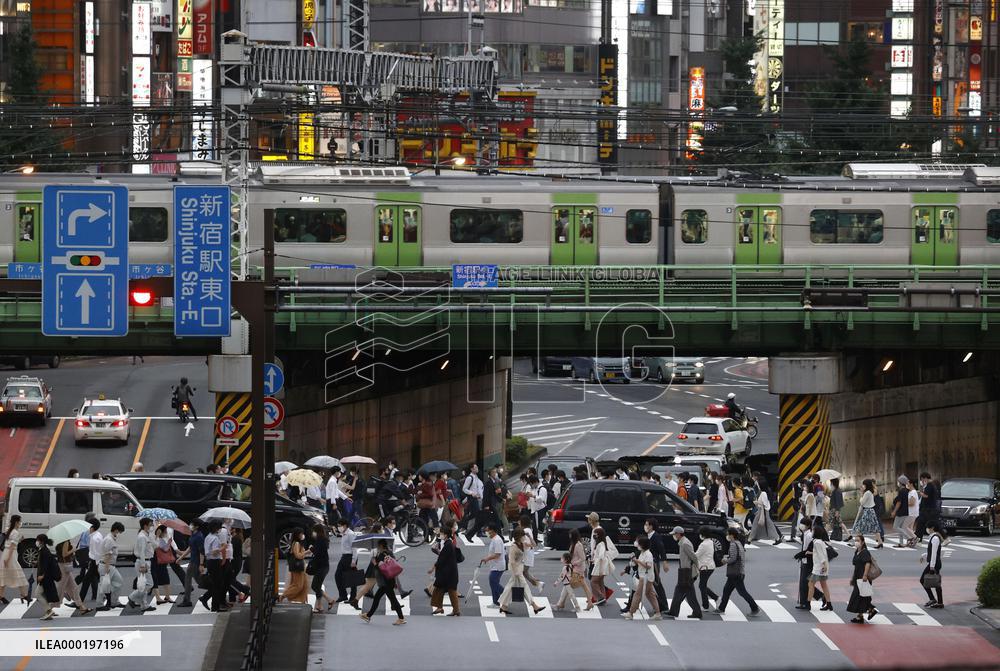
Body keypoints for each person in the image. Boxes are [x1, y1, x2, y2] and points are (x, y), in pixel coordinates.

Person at [498, 529, 546, 615]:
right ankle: (534, 606)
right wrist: (516, 572)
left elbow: (534, 545)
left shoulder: (522, 544)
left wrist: (529, 536)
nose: (524, 537)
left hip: (520, 567)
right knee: (524, 585)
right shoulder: (513, 546)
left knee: (510, 587)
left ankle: (503, 607)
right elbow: (512, 561)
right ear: (518, 537)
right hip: (515, 569)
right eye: (522, 536)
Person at [715, 527, 760, 617]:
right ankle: (721, 608)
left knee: (742, 592)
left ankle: (755, 608)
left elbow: (733, 558)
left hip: (735, 572)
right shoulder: (738, 543)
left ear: (731, 535)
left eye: (728, 534)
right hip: (737, 572)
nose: (727, 536)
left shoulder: (733, 544)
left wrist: (725, 560)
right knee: (726, 590)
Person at [361, 539, 406, 625]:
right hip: (389, 580)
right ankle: (368, 615)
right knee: (377, 598)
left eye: (378, 546)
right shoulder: (390, 553)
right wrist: (395, 581)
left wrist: (374, 563)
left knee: (393, 600)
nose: (377, 548)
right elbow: (392, 568)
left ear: (381, 546)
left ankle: (401, 618)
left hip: (385, 582)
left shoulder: (382, 555)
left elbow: (383, 569)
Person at [664, 526, 701, 619]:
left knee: (684, 592)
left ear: (679, 534)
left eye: (674, 534)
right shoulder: (683, 542)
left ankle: (675, 611)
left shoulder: (685, 544)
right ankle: (675, 611)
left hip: (687, 571)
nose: (674, 536)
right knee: (684, 592)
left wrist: (697, 568)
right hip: (684, 571)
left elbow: (694, 557)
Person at [624, 535, 660, 620]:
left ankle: (631, 612)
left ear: (643, 545)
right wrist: (634, 561)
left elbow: (648, 566)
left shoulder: (648, 554)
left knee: (637, 594)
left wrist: (637, 561)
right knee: (650, 595)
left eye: (639, 544)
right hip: (645, 577)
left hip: (646, 578)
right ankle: (657, 613)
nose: (638, 545)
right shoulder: (643, 553)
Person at [430, 523, 461, 616]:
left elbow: (442, 559)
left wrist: (433, 568)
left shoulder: (448, 545)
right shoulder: (448, 543)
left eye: (441, 533)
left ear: (446, 535)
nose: (440, 535)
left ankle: (455, 610)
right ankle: (441, 608)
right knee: (440, 590)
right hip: (448, 572)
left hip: (448, 573)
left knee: (450, 591)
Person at [846, 534, 877, 623]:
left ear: (862, 542)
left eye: (858, 540)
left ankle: (869, 610)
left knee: (859, 596)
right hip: (857, 577)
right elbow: (856, 566)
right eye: (855, 540)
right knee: (861, 597)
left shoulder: (865, 552)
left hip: (863, 577)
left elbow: (867, 563)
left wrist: (865, 575)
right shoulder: (857, 552)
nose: (856, 542)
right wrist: (852, 578)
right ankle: (862, 615)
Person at [96, 522, 125, 611]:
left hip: (110, 565)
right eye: (119, 531)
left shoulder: (112, 538)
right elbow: (107, 554)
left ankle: (114, 601)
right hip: (106, 565)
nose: (119, 533)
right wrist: (107, 567)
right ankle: (99, 605)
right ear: (116, 530)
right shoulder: (109, 539)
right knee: (103, 585)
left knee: (119, 582)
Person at [0, 515, 29, 604]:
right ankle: (24, 595)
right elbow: (12, 547)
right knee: (19, 575)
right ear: (16, 522)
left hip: (5, 553)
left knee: (3, 576)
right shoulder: (16, 533)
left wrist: (19, 540)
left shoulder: (9, 530)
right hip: (10, 556)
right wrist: (8, 559)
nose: (20, 523)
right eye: (20, 522)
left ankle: (1, 596)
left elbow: (9, 543)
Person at [55, 540, 90, 613]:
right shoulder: (65, 542)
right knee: (61, 588)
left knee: (74, 587)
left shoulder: (60, 542)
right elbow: (64, 554)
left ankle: (81, 606)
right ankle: (49, 608)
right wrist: (73, 550)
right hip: (65, 567)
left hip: (63, 566)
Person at [202, 521, 229, 612]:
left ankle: (210, 602)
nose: (220, 529)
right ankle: (214, 605)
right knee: (218, 584)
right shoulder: (215, 539)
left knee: (216, 584)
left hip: (210, 562)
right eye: (219, 527)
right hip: (214, 562)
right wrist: (223, 547)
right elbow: (214, 552)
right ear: (216, 528)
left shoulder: (208, 537)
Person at [129, 517, 155, 611]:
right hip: (143, 562)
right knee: (149, 584)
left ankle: (144, 605)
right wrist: (143, 565)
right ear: (145, 526)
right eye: (151, 525)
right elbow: (142, 552)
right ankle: (132, 597)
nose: (152, 526)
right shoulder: (142, 537)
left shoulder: (146, 535)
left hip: (145, 561)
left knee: (143, 584)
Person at [806, 526, 834, 612]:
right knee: (824, 585)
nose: (812, 532)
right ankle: (829, 604)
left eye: (813, 531)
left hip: (819, 567)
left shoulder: (817, 542)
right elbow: (819, 553)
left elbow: (821, 555)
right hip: (822, 566)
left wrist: (824, 565)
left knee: (811, 584)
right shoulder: (820, 541)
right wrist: (810, 552)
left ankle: (808, 604)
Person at [645, 519, 669, 615]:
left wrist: (665, 561)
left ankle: (664, 605)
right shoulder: (648, 535)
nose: (645, 526)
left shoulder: (656, 536)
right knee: (642, 583)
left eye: (646, 524)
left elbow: (661, 549)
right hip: (647, 563)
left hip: (654, 563)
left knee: (657, 584)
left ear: (651, 526)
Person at [178, 519, 204, 608]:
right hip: (192, 561)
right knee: (199, 581)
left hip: (195, 562)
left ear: (197, 526)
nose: (190, 525)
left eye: (192, 524)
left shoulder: (199, 536)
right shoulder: (193, 535)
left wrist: (201, 564)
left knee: (188, 580)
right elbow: (190, 548)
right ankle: (214, 590)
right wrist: (181, 558)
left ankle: (187, 600)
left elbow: (201, 552)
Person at [308, 525, 333, 613]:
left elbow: (317, 553)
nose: (313, 533)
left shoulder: (320, 541)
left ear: (317, 531)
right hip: (323, 566)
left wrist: (311, 548)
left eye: (313, 531)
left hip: (322, 567)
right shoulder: (323, 540)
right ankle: (320, 606)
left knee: (315, 586)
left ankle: (329, 600)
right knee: (317, 586)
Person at [333, 519, 360, 604]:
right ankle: (343, 595)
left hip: (350, 557)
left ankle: (353, 597)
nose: (339, 527)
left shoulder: (350, 534)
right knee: (338, 575)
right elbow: (337, 535)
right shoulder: (344, 533)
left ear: (344, 525)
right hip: (344, 557)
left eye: (339, 525)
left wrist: (353, 561)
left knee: (351, 578)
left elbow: (355, 548)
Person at [480, 524, 506, 609]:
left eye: (488, 531)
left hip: (498, 566)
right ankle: (496, 602)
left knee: (494, 582)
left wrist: (487, 558)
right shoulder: (494, 539)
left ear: (493, 531)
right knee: (493, 583)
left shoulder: (497, 540)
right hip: (495, 565)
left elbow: (497, 554)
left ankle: (507, 594)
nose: (487, 532)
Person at [280, 528, 309, 604]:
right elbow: (298, 555)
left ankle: (303, 600)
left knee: (304, 584)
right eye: (301, 534)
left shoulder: (298, 543)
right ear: (298, 535)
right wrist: (306, 552)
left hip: (300, 566)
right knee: (298, 585)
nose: (302, 535)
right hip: (297, 567)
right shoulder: (296, 543)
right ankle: (283, 595)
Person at [566, 529, 593, 609]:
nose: (569, 536)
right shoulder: (574, 544)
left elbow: (583, 558)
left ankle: (562, 603)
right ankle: (590, 602)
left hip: (578, 569)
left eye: (570, 535)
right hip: (576, 568)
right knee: (583, 585)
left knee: (568, 584)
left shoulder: (578, 545)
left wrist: (573, 563)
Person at [852, 479, 884, 547]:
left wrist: (861, 494)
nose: (862, 486)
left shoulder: (867, 493)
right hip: (871, 511)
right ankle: (880, 542)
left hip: (867, 511)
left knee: (859, 527)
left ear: (866, 485)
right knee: (875, 528)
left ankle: (861, 543)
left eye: (863, 484)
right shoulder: (870, 492)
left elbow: (862, 502)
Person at [35, 535, 60, 620]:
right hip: (47, 577)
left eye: (37, 540)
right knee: (44, 594)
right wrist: (36, 562)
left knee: (37, 594)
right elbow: (44, 562)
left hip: (45, 577)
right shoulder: (43, 550)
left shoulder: (44, 551)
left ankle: (49, 611)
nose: (36, 542)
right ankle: (48, 611)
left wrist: (42, 575)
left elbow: (46, 565)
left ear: (41, 541)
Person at [921, 522, 944, 608]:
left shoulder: (935, 538)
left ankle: (935, 600)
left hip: (934, 564)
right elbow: (932, 552)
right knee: (935, 582)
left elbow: (934, 553)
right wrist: (924, 556)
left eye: (928, 528)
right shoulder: (934, 537)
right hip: (934, 563)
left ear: (932, 528)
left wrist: (932, 566)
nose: (927, 529)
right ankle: (938, 601)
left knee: (926, 580)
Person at [695, 527, 719, 610]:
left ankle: (712, 601)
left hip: (705, 567)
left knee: (702, 586)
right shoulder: (711, 542)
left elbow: (696, 555)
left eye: (700, 534)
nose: (699, 535)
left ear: (703, 535)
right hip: (710, 566)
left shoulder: (703, 544)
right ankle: (708, 603)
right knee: (702, 585)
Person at [589, 527, 614, 607]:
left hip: (600, 566)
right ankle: (603, 599)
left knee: (593, 581)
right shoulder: (602, 543)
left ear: (599, 535)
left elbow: (601, 556)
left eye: (596, 534)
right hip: (602, 565)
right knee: (600, 582)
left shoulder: (600, 544)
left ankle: (600, 597)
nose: (594, 535)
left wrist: (595, 561)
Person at [794, 516, 814, 610]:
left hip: (808, 561)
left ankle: (805, 603)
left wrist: (801, 555)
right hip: (804, 560)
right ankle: (803, 602)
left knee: (804, 582)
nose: (801, 525)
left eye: (803, 524)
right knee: (804, 582)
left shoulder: (809, 535)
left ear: (808, 525)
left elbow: (808, 549)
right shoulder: (805, 534)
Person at [151, 524, 174, 605]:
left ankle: (167, 596)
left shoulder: (161, 538)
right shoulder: (156, 538)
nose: (166, 533)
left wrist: (168, 542)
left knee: (165, 578)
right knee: (155, 579)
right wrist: (168, 542)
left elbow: (165, 548)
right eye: (165, 531)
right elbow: (161, 548)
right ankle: (159, 598)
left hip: (161, 562)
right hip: (155, 561)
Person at [518, 516, 543, 590]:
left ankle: (538, 584)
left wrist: (522, 543)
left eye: (519, 521)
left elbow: (528, 543)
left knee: (523, 572)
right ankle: (538, 584)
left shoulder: (525, 531)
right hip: (528, 553)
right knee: (524, 572)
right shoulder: (528, 529)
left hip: (527, 554)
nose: (518, 522)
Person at [915, 472, 940, 543]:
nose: (922, 481)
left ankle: (918, 538)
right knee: (923, 524)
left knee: (922, 523)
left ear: (925, 478)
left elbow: (926, 496)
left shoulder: (929, 485)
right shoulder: (932, 485)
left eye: (922, 479)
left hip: (927, 509)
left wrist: (920, 493)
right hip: (929, 508)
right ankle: (918, 538)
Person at [462, 464, 484, 542]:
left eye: (477, 467)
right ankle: (464, 524)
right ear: (471, 469)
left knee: (477, 515)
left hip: (477, 499)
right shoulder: (469, 478)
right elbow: (464, 489)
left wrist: (480, 495)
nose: (477, 469)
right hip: (472, 499)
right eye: (475, 467)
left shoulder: (476, 477)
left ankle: (475, 532)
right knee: (476, 514)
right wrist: (472, 493)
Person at [891, 476, 915, 548]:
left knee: (895, 527)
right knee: (900, 527)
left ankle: (909, 538)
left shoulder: (901, 491)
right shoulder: (906, 490)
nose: (897, 483)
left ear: (901, 482)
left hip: (901, 512)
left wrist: (894, 511)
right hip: (906, 511)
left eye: (898, 481)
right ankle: (901, 543)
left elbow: (899, 502)